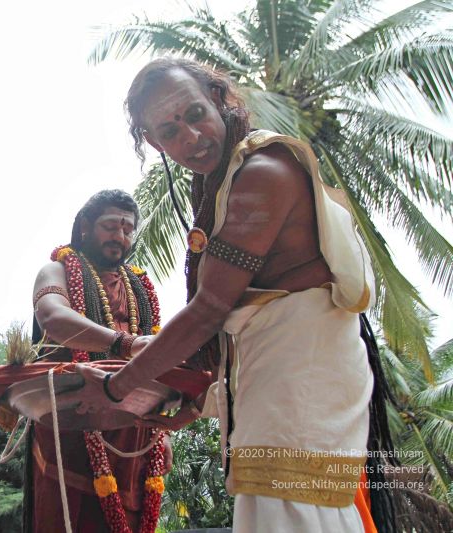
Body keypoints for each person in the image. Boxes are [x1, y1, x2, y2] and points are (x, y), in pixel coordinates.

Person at [68, 58, 393, 533]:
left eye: (195, 114)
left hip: (302, 378)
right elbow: (248, 326)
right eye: (171, 130)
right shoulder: (220, 183)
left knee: (289, 512)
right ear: (155, 142)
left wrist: (116, 389)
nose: (191, 137)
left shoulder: (263, 172)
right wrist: (198, 404)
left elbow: (211, 310)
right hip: (284, 376)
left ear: (219, 99)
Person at [26, 189, 171, 533]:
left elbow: (156, 366)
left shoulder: (140, 288)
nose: (120, 236)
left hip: (135, 435)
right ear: (85, 227)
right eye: (110, 226)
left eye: (127, 229)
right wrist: (125, 343)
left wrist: (164, 433)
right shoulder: (57, 270)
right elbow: (53, 317)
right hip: (73, 424)